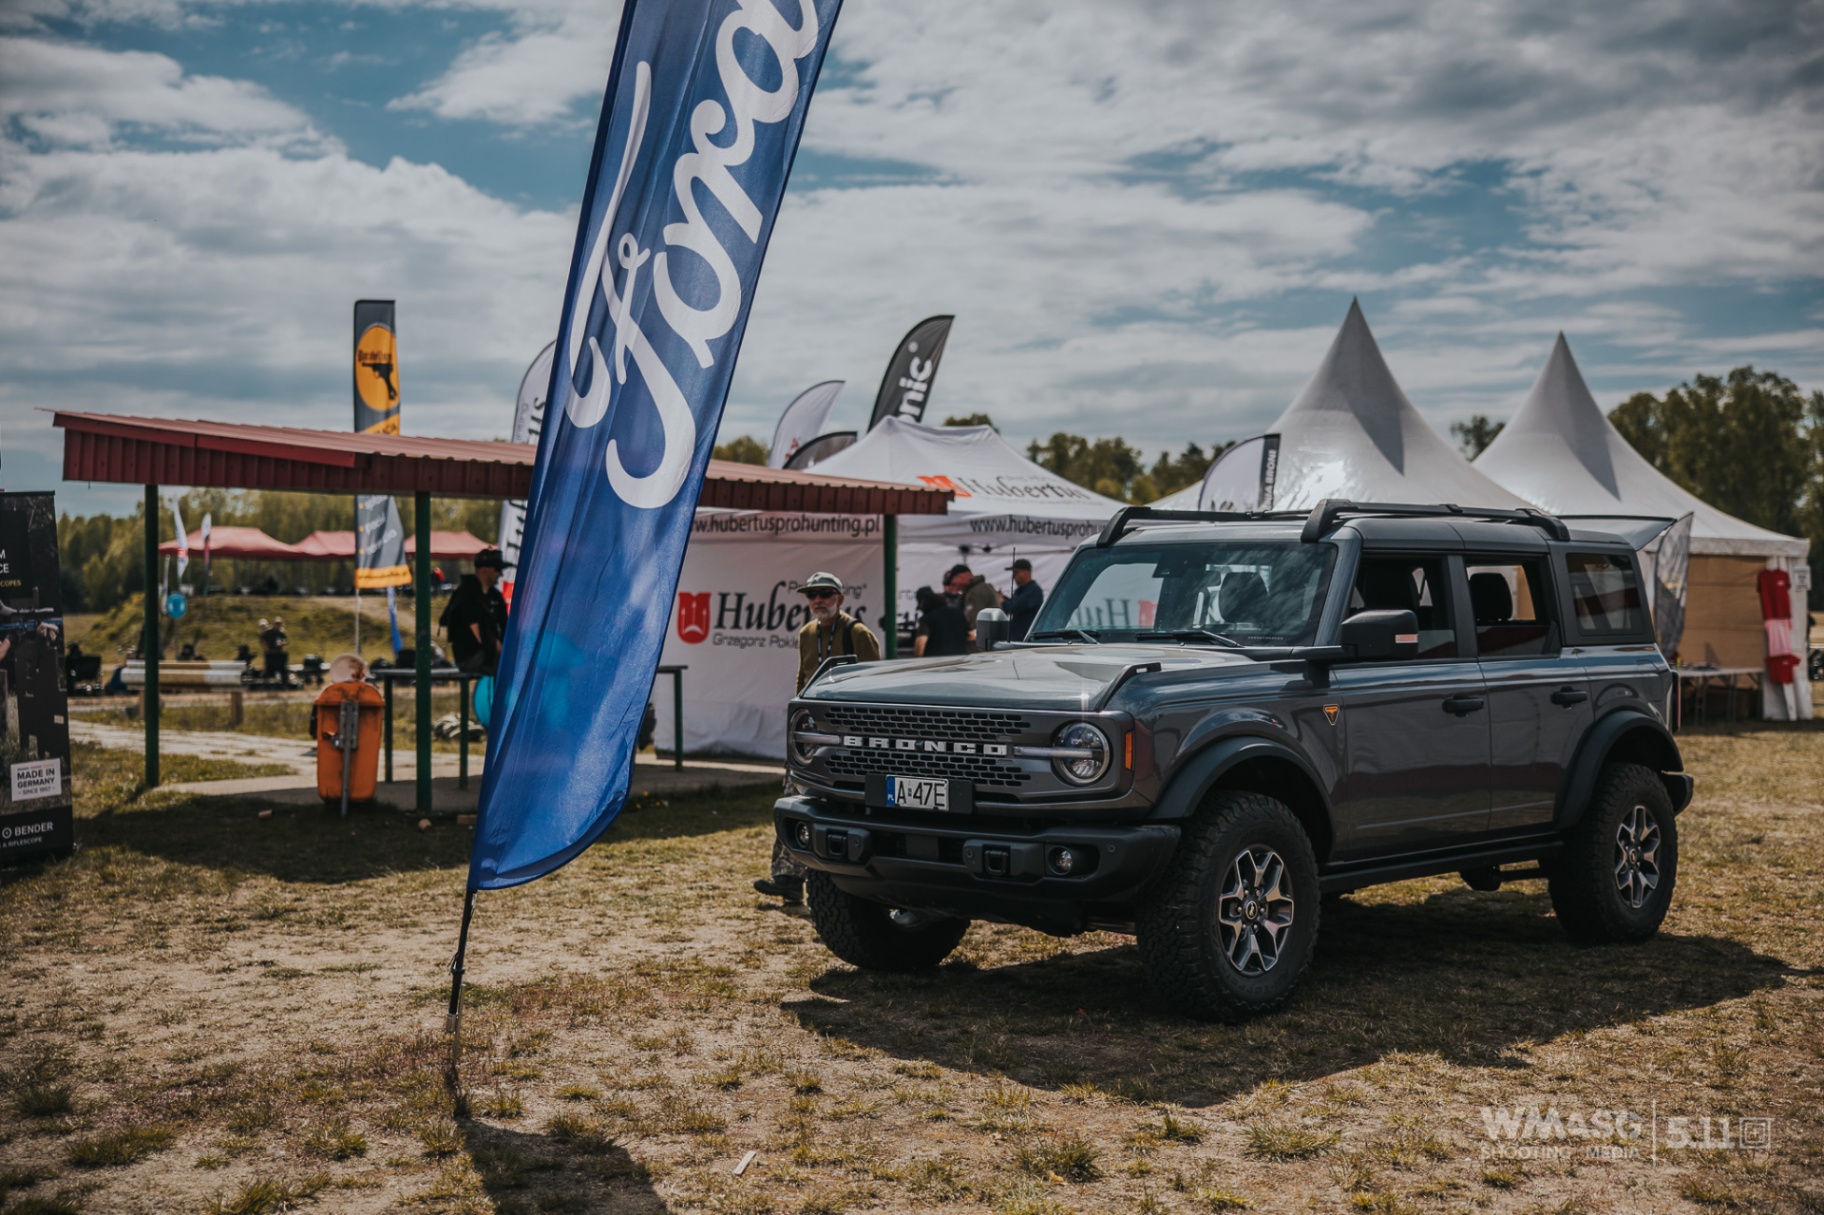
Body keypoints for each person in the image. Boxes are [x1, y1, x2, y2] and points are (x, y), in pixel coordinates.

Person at [756, 570, 881, 903]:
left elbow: (876, 686)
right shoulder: (807, 633)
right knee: (794, 798)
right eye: (812, 595)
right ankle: (786, 878)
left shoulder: (858, 633)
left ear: (840, 598)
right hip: (812, 735)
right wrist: (798, 727)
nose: (817, 601)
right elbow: (802, 679)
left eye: (825, 594)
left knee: (846, 806)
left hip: (850, 736)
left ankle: (849, 882)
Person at [442, 549, 509, 675]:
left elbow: (505, 625)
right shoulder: (466, 597)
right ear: (484, 571)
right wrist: (504, 650)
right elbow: (481, 637)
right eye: (497, 570)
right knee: (513, 667)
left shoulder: (495, 596)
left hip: (490, 654)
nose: (500, 574)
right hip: (470, 657)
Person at [915, 582, 971, 657]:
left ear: (922, 603)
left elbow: (920, 644)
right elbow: (971, 635)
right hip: (960, 661)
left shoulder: (927, 619)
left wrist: (917, 662)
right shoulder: (958, 613)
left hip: (935, 664)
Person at [1004, 557, 1044, 640]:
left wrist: (1002, 601)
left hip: (1025, 638)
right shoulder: (1020, 591)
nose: (1014, 576)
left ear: (1027, 573)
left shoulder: (1033, 591)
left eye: (1016, 573)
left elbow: (1014, 607)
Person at [259, 617, 290, 686]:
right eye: (276, 624)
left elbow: (287, 641)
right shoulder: (269, 632)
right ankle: (265, 683)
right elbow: (261, 638)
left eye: (279, 624)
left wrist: (283, 643)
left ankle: (284, 684)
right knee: (268, 669)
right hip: (270, 653)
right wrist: (265, 646)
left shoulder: (281, 632)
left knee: (282, 669)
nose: (278, 626)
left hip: (278, 652)